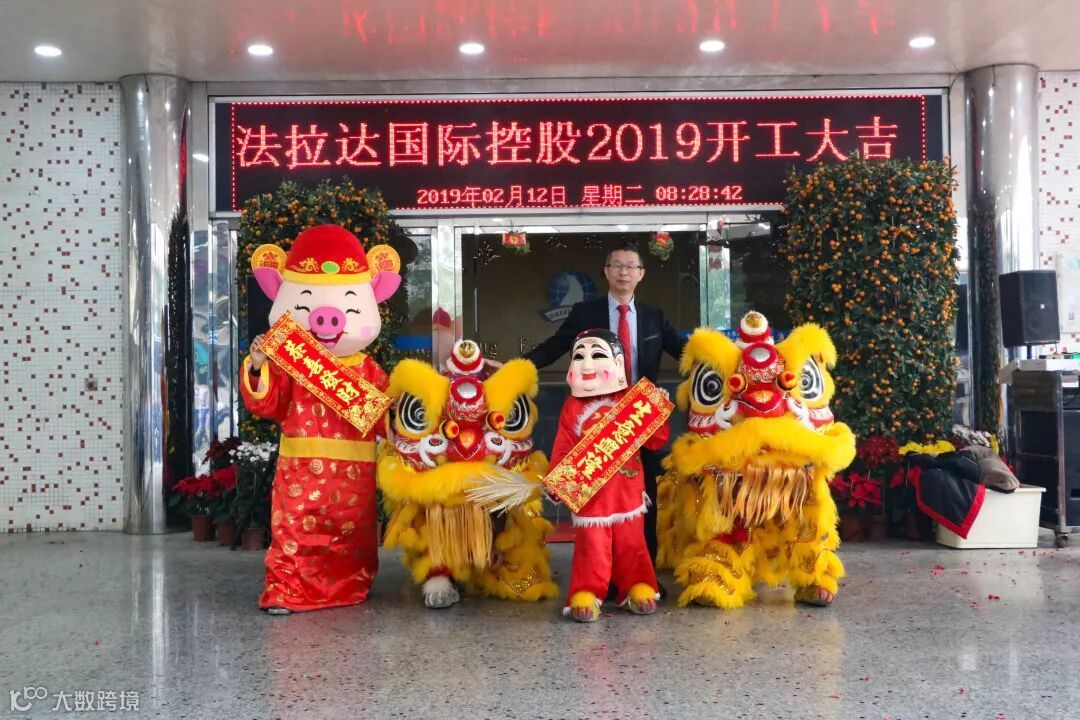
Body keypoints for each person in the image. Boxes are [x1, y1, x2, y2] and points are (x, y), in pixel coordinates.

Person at [526, 241, 686, 563]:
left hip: (640, 419)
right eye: (618, 265)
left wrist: (723, 362)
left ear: (641, 274)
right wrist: (518, 367)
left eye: (631, 266)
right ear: (607, 271)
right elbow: (555, 345)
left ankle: (644, 573)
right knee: (600, 504)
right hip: (599, 418)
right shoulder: (585, 313)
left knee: (644, 497)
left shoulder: (654, 317)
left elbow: (684, 352)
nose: (624, 272)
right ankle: (605, 573)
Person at [549, 330, 669, 622]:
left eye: (597, 355)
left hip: (628, 491)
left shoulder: (631, 399)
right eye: (580, 356)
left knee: (632, 543)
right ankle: (587, 591)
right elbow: (563, 446)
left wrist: (657, 411)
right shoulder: (572, 406)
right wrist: (557, 479)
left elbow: (656, 442)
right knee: (592, 546)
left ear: (618, 362)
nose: (587, 365)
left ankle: (637, 586)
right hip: (592, 496)